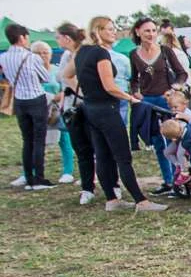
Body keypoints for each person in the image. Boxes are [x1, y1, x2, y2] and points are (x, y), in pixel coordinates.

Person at [65, 17, 167, 212]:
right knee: (122, 156)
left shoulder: (81, 52)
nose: (114, 32)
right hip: (107, 109)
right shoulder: (101, 53)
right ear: (98, 30)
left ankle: (112, 200)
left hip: (91, 109)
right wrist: (130, 98)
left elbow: (67, 75)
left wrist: (85, 94)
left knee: (103, 155)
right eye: (110, 29)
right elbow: (110, 86)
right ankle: (141, 201)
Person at [129, 17, 188, 194]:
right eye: (147, 30)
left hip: (166, 99)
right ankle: (167, 180)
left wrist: (174, 88)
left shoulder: (165, 51)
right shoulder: (134, 54)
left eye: (154, 30)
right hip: (147, 101)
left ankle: (180, 178)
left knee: (174, 139)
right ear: (138, 31)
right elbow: (133, 79)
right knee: (157, 141)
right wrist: (135, 92)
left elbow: (182, 74)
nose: (151, 34)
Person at [0, 24, 55, 190]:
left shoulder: (4, 57)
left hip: (19, 100)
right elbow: (46, 77)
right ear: (22, 37)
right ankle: (39, 178)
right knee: (39, 140)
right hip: (35, 98)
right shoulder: (31, 57)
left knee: (27, 140)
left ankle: (28, 177)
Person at [54, 22, 97, 203]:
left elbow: (67, 77)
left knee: (98, 147)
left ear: (67, 38)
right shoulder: (66, 56)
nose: (57, 40)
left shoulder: (84, 54)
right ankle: (87, 186)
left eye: (58, 37)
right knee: (81, 148)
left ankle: (111, 183)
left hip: (86, 104)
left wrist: (79, 92)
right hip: (72, 107)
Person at [30, 41, 75, 184]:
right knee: (35, 142)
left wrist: (59, 96)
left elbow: (66, 86)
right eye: (38, 52)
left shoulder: (57, 70)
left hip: (57, 108)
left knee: (65, 140)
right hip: (38, 109)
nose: (43, 55)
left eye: (45, 52)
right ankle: (29, 172)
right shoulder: (30, 71)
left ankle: (68, 171)